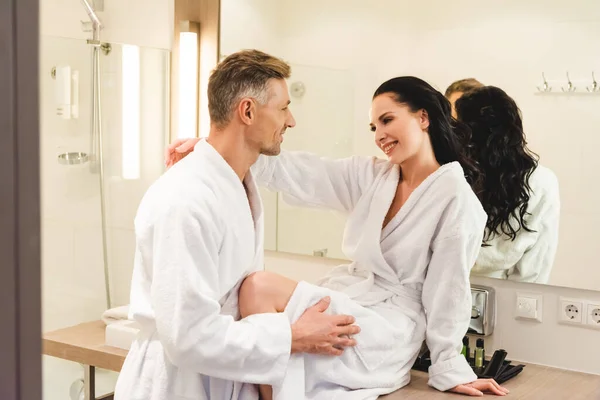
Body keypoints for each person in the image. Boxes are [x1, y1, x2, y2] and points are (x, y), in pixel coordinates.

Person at [167, 76, 509, 398]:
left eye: (387, 120)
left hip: (389, 328)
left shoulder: (455, 198)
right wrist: (218, 150)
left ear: (423, 117)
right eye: (374, 127)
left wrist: (449, 365)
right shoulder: (375, 176)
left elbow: (448, 289)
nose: (379, 135)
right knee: (251, 318)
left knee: (259, 288)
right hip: (354, 300)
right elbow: (301, 172)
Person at [114, 50, 361, 400]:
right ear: (247, 111)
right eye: (283, 108)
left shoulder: (235, 184)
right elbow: (187, 336)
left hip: (225, 374)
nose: (291, 121)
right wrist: (291, 336)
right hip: (180, 384)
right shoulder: (185, 200)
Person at [455, 86, 560, 283]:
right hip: (508, 294)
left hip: (449, 288)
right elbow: (535, 266)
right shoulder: (542, 181)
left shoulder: (454, 174)